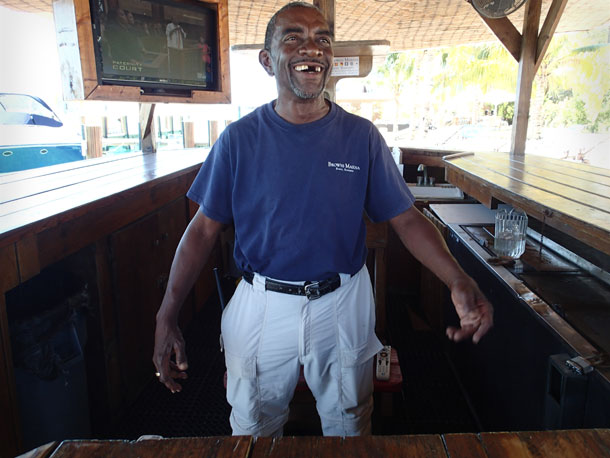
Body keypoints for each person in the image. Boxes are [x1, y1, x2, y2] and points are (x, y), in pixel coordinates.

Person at [153, 1, 493, 438]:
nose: (311, 48)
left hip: (342, 302)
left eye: (322, 39)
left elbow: (406, 220)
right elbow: (202, 229)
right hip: (261, 304)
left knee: (350, 425)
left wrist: (457, 280)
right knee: (253, 429)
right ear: (267, 60)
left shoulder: (361, 136)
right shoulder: (238, 140)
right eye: (293, 37)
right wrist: (167, 314)